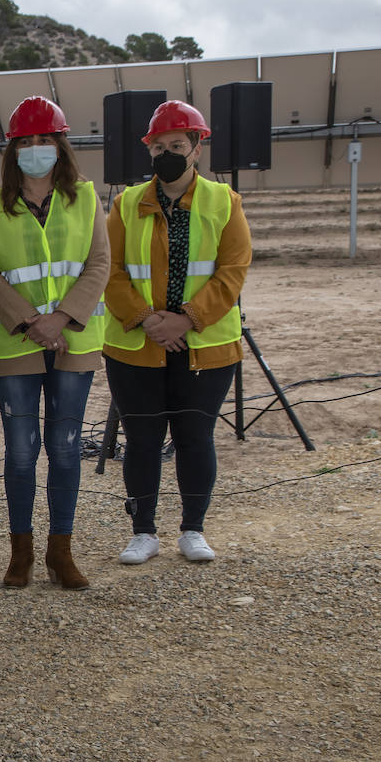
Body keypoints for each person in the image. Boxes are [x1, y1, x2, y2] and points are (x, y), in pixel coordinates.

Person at [102, 100, 251, 565]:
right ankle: (143, 532)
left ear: (196, 149)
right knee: (142, 439)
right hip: (136, 345)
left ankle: (193, 529)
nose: (168, 152)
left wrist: (186, 319)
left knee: (194, 436)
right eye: (159, 146)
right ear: (149, 150)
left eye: (178, 145)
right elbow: (110, 271)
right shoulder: (126, 203)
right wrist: (150, 321)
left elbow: (232, 270)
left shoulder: (224, 202)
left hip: (204, 346)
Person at [0, 97, 109, 590]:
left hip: (73, 339)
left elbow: (99, 264)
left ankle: (61, 552)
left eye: (44, 140)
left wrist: (61, 319)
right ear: (13, 151)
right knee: (21, 452)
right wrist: (31, 321)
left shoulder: (88, 199)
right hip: (16, 344)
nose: (36, 149)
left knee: (67, 447)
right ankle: (21, 554)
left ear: (60, 145)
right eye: (26, 142)